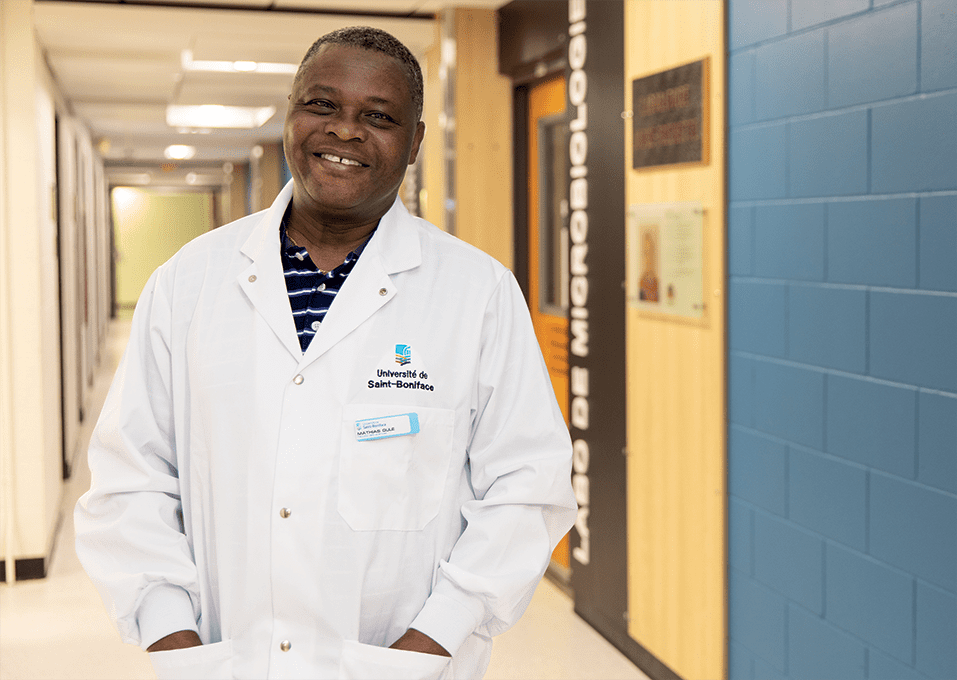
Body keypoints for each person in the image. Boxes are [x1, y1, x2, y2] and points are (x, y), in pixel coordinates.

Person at [75, 26, 576, 680]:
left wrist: (433, 639)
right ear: (290, 115)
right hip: (226, 659)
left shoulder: (476, 291)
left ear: (416, 141)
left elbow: (526, 485)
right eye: (322, 105)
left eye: (378, 116)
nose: (345, 131)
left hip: (407, 663)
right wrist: (173, 638)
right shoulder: (189, 281)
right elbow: (131, 474)